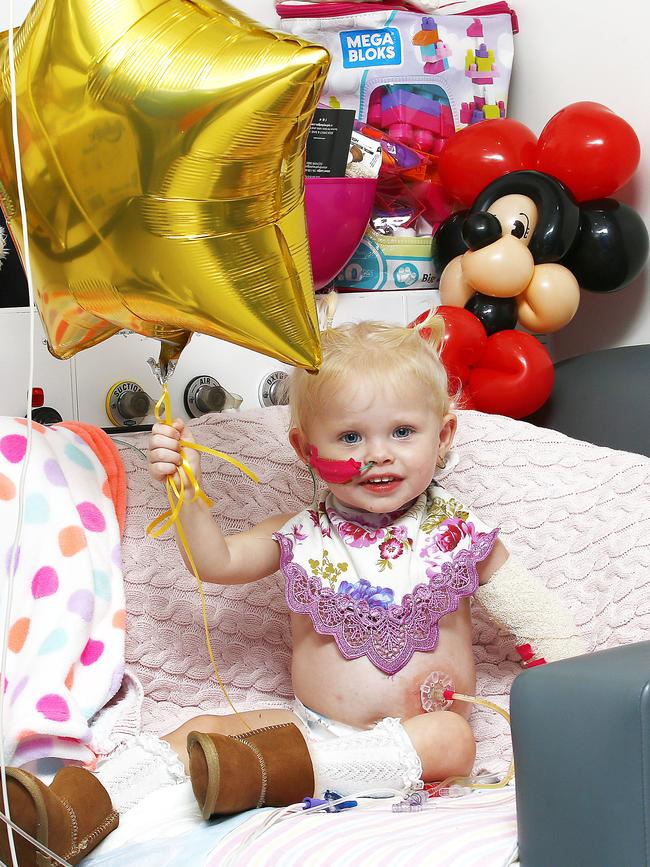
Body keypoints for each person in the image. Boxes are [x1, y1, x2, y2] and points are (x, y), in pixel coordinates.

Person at [143, 314, 586, 818]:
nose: (378, 455)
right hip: (316, 732)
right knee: (205, 731)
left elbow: (539, 619)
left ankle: (281, 774)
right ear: (306, 450)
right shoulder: (300, 533)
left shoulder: (455, 532)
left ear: (442, 438)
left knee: (452, 737)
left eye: (402, 432)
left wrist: (580, 699)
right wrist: (186, 494)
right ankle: (87, 801)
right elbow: (214, 561)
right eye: (350, 437)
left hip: (421, 743)